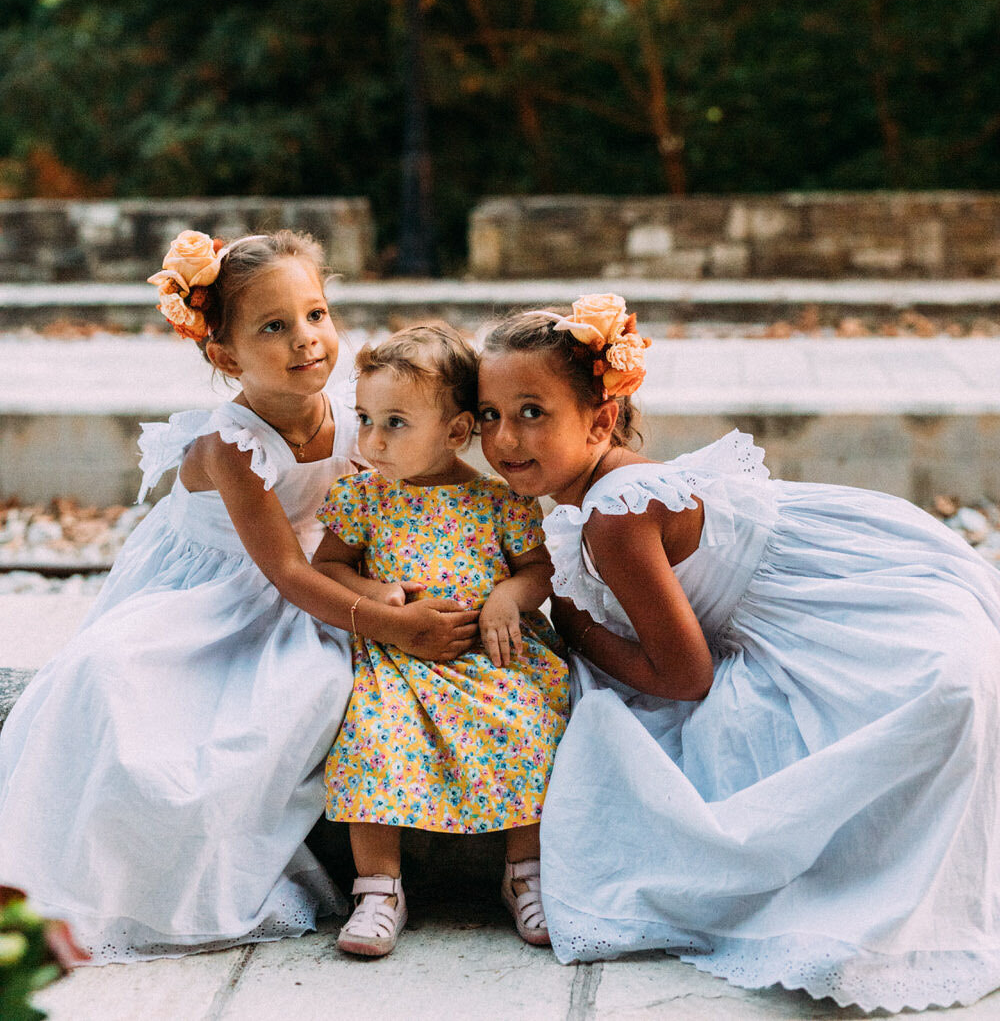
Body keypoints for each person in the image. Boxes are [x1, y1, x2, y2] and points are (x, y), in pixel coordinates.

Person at [478, 294, 1000, 1014]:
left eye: (533, 412)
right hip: (850, 574)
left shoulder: (613, 518)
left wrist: (574, 629)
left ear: (600, 420)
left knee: (868, 717)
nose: (505, 439)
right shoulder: (604, 491)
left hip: (848, 614)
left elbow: (687, 678)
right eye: (490, 415)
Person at [0, 231, 478, 963]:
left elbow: (397, 501)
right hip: (210, 592)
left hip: (318, 582)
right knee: (114, 681)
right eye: (274, 327)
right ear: (226, 357)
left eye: (315, 314)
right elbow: (285, 572)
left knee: (316, 684)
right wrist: (395, 624)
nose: (307, 341)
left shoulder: (356, 417)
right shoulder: (231, 446)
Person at [313, 324, 569, 958]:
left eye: (395, 423)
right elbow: (327, 568)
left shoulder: (497, 502)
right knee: (373, 734)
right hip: (398, 658)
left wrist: (510, 595)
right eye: (365, 418)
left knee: (531, 719)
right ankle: (379, 890)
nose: (372, 440)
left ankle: (525, 875)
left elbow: (538, 568)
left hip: (492, 655)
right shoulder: (363, 498)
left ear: (456, 431)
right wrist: (374, 594)